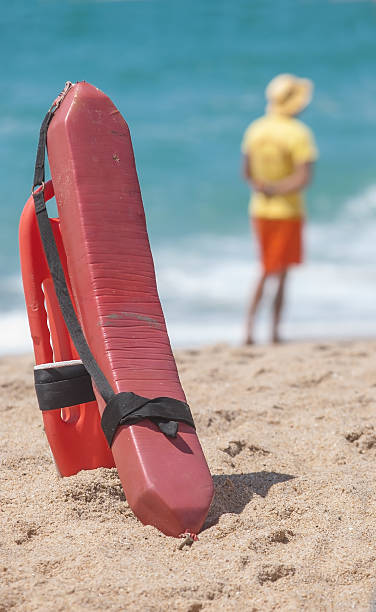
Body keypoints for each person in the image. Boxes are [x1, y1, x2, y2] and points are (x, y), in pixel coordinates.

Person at [241, 73, 318, 344]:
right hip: (286, 210)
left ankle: (256, 329)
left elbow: (247, 172)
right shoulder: (298, 134)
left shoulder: (256, 129)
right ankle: (265, 331)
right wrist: (276, 189)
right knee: (276, 272)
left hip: (259, 209)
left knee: (269, 268)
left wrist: (265, 188)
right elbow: (304, 178)